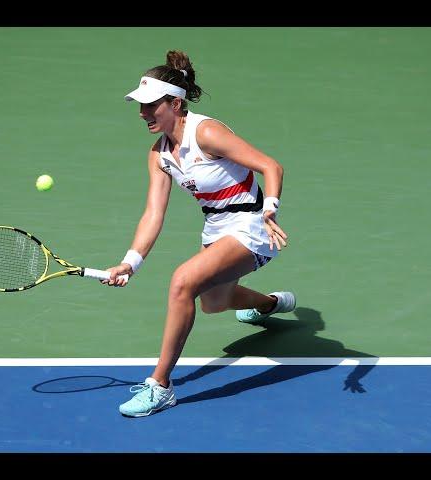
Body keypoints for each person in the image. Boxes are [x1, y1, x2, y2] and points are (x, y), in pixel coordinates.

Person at [103, 50, 296, 417]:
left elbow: (271, 166)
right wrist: (130, 263)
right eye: (140, 106)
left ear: (175, 104)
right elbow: (153, 213)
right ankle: (269, 303)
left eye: (150, 106)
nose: (143, 113)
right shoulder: (158, 154)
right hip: (217, 226)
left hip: (254, 224)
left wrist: (270, 207)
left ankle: (160, 385)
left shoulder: (206, 132)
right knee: (214, 304)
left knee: (182, 283)